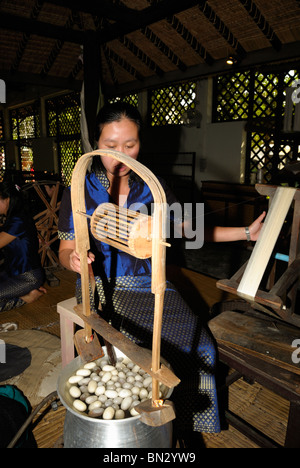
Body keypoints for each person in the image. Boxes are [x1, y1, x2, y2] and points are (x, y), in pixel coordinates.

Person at [58, 102, 265, 439]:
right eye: (110, 146)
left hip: (150, 283)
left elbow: (191, 228)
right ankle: (134, 428)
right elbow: (65, 250)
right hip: (100, 286)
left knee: (201, 348)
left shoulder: (152, 186)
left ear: (140, 143)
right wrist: (75, 262)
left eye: (130, 145)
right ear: (96, 143)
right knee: (136, 352)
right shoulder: (79, 189)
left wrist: (245, 233)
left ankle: (182, 423)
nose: (120, 154)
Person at [0, 181, 46, 312]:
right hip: (10, 274)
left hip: (27, 277)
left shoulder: (18, 220)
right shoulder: (14, 218)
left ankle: (27, 297)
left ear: (7, 199)